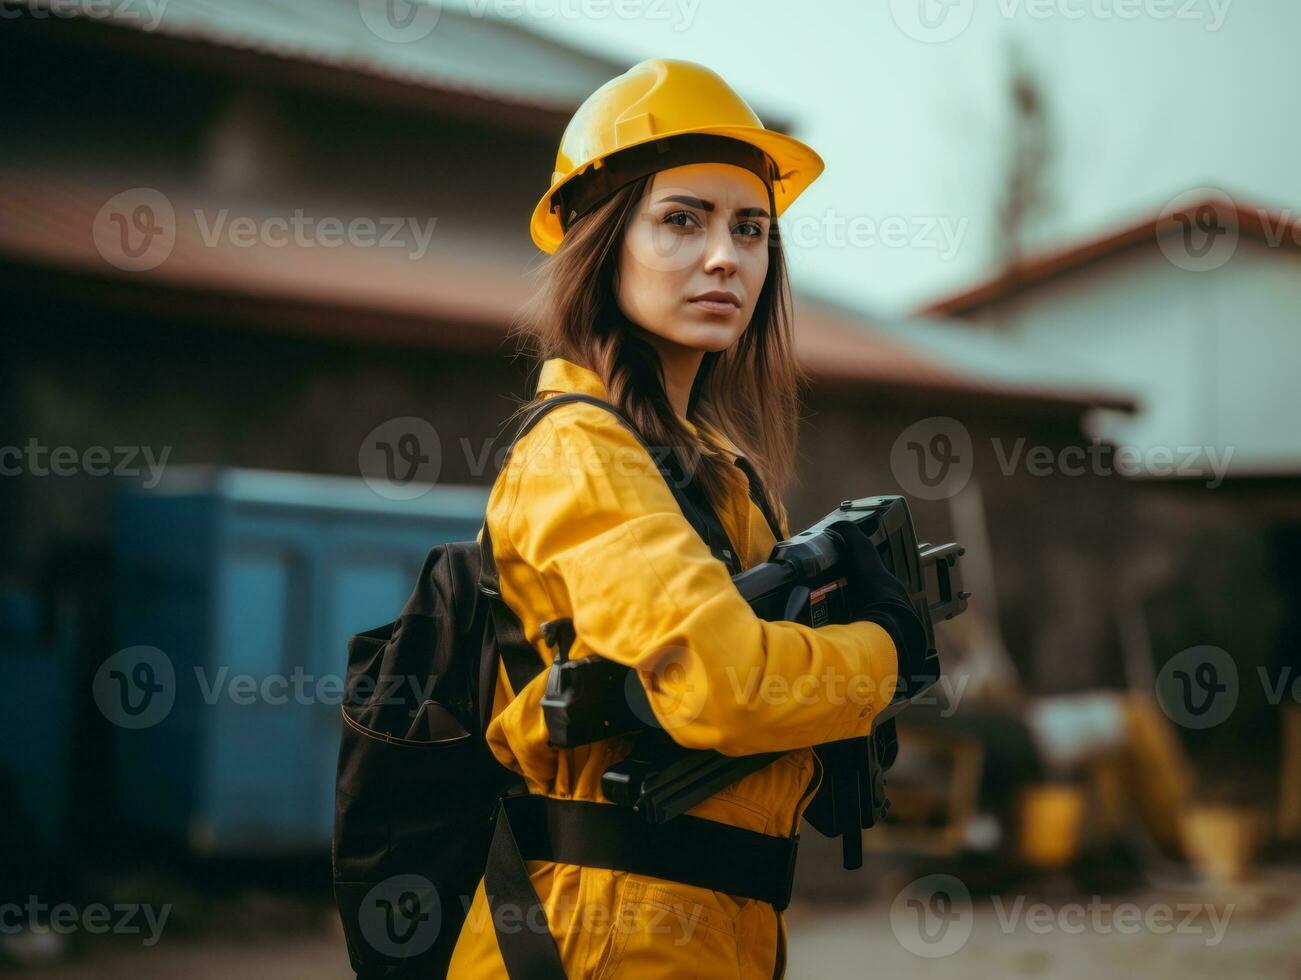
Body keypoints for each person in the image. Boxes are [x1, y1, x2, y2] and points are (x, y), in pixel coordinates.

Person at [449, 58, 917, 979]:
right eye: (680, 220)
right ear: (600, 242)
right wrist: (883, 653)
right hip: (600, 938)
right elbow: (724, 686)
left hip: (700, 931)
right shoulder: (580, 452)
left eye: (751, 229)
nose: (725, 256)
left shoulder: (719, 476)